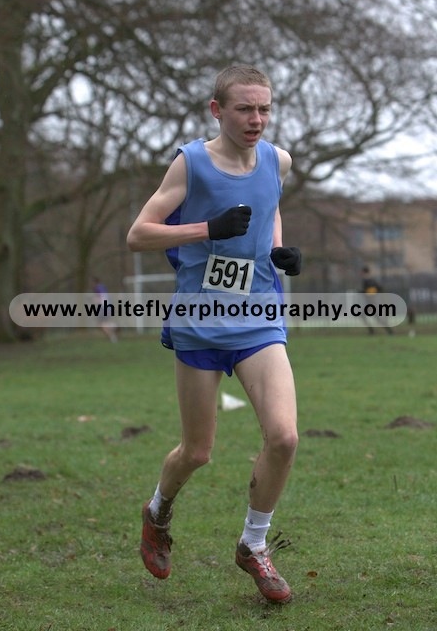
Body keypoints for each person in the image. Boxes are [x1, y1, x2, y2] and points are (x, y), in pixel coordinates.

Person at [126, 65, 301, 603]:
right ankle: (158, 512)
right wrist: (207, 228)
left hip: (259, 316)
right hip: (200, 320)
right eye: (245, 108)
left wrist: (277, 249)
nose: (256, 119)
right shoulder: (192, 163)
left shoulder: (278, 160)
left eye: (264, 108)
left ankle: (254, 545)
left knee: (284, 437)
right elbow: (138, 235)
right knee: (197, 452)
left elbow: (269, 207)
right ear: (217, 110)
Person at [360, 266, 393, 335]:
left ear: (364, 273)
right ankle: (389, 331)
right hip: (372, 303)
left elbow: (371, 292)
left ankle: (372, 331)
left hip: (371, 303)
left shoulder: (368, 281)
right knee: (377, 318)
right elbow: (380, 289)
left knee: (363, 315)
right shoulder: (372, 281)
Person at [92, 277, 118, 342]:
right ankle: (114, 328)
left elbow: (98, 298)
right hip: (108, 306)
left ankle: (113, 334)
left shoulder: (97, 288)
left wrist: (94, 301)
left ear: (94, 282)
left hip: (103, 307)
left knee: (102, 324)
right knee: (106, 323)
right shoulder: (103, 287)